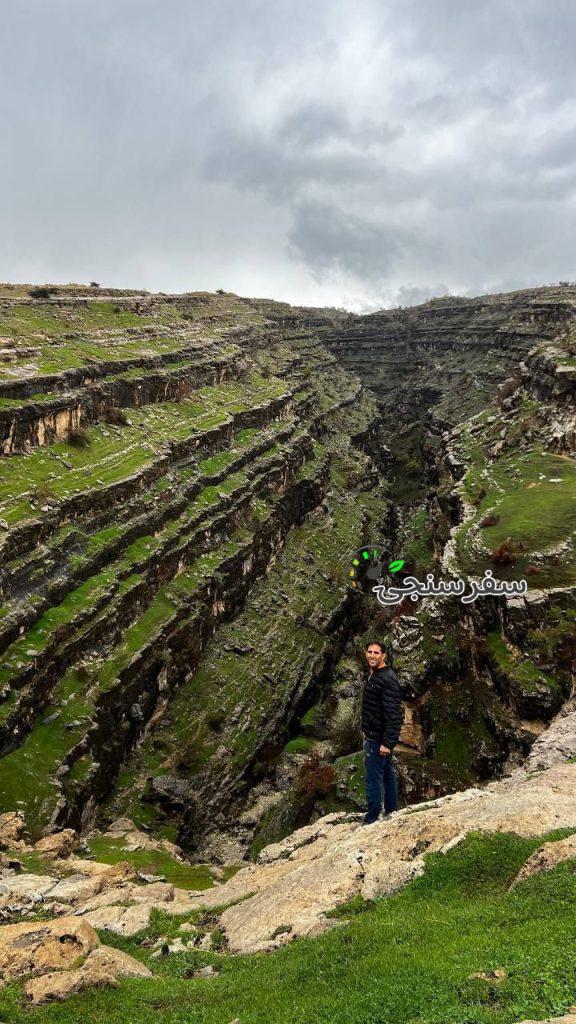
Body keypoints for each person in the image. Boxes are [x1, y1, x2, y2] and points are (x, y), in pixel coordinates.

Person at [361, 640, 403, 825]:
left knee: (373, 779)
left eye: (376, 653)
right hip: (377, 734)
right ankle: (392, 811)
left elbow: (394, 714)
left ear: (383, 656)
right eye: (369, 652)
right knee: (387, 773)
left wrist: (387, 742)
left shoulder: (386, 679)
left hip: (378, 738)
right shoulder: (377, 675)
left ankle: (371, 819)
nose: (372, 655)